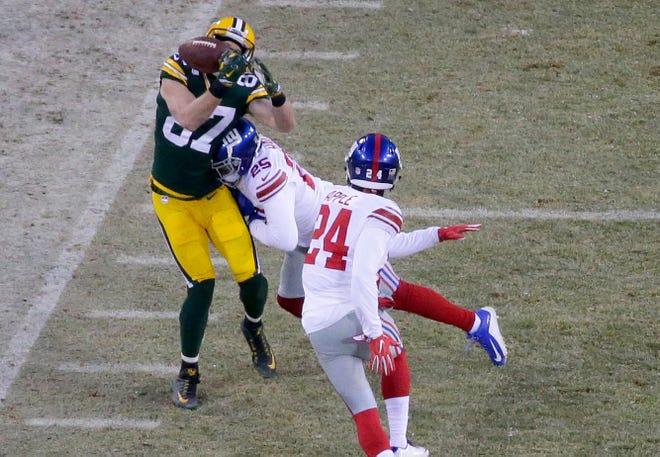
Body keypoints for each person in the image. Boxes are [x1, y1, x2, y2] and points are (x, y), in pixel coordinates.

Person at [211, 119, 508, 368]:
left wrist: (252, 219)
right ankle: (357, 325)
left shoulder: (266, 176)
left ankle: (475, 323)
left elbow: (283, 236)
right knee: (290, 300)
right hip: (312, 237)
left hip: (331, 235)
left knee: (394, 292)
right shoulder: (259, 157)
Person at [150, 16, 295, 409]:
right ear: (208, 44)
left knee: (252, 276)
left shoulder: (244, 84)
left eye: (234, 53)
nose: (225, 56)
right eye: (221, 47)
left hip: (213, 195)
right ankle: (188, 371)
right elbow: (187, 117)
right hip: (172, 198)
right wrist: (219, 86)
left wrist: (277, 94)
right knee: (202, 284)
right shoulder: (177, 68)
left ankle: (253, 328)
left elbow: (285, 125)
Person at [302, 133, 425, 456]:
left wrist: (435, 235)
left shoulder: (332, 197)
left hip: (316, 322)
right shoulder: (384, 209)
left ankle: (392, 450)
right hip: (350, 314)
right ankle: (400, 443)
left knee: (363, 412)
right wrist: (374, 332)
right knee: (394, 353)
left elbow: (380, 246)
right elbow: (362, 274)